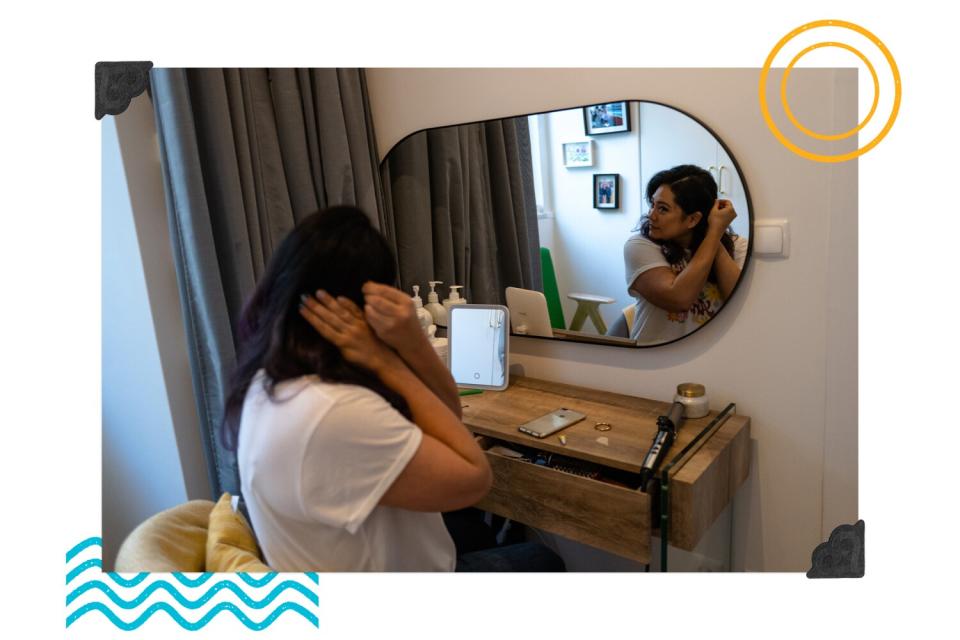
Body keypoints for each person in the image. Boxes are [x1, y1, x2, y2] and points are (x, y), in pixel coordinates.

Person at [222, 205, 564, 572]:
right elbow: (475, 477)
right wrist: (387, 361)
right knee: (542, 559)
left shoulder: (268, 383)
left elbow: (448, 415)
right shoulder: (336, 410)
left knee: (474, 529)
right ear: (365, 302)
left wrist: (414, 345)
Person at [623, 165, 748, 345]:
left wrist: (714, 235)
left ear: (693, 219)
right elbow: (679, 298)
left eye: (663, 209)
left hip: (715, 360)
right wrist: (713, 233)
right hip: (653, 362)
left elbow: (742, 305)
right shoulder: (640, 246)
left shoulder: (737, 246)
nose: (651, 215)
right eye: (652, 204)